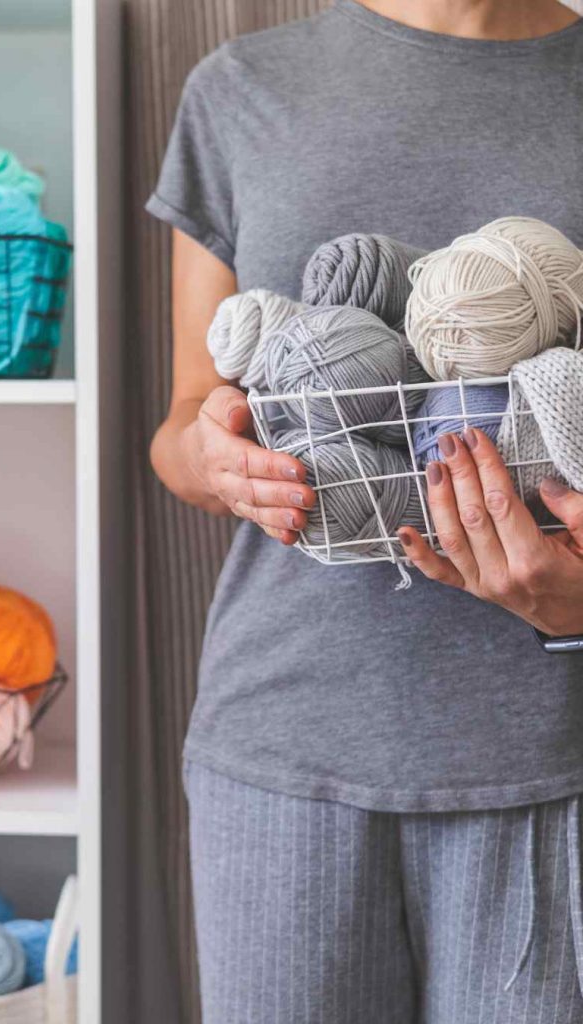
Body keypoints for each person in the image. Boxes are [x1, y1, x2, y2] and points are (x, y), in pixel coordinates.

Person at [147, 2, 583, 1021]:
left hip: (549, 762)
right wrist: (216, 458)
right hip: (286, 750)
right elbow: (176, 425)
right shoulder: (240, 90)